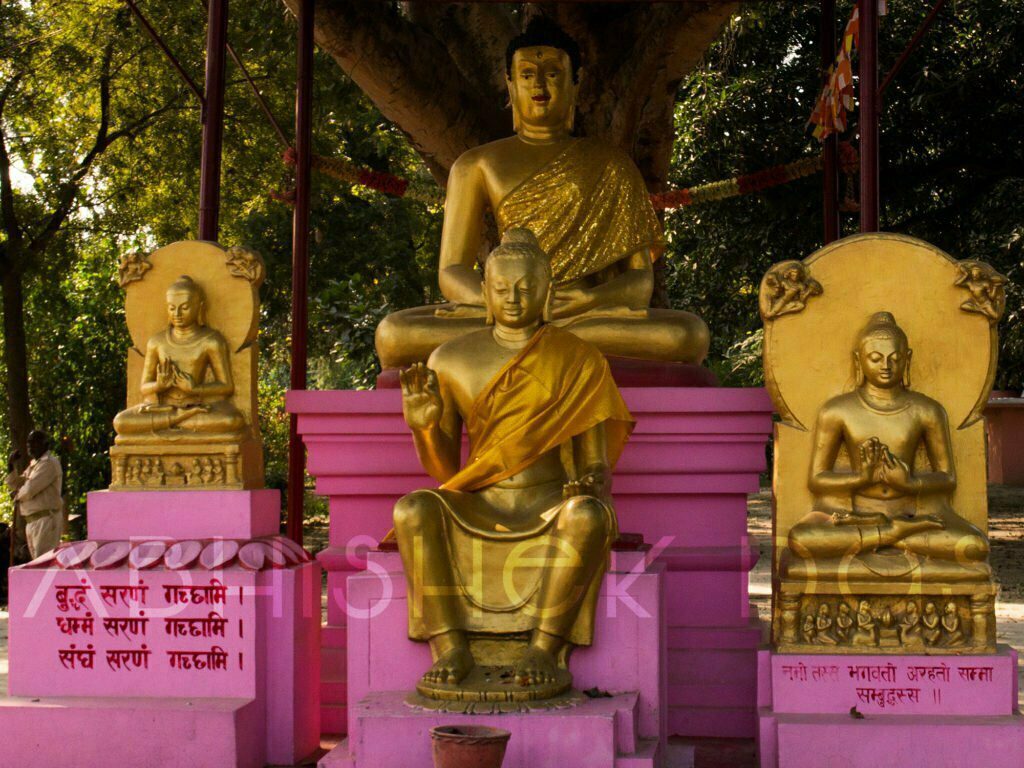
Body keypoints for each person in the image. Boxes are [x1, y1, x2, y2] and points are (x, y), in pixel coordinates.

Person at [374, 17, 709, 368]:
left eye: (552, 73)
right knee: (394, 335)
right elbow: (452, 271)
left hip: (580, 312)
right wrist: (501, 307)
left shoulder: (611, 164)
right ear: (509, 83)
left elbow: (640, 282)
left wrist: (585, 299)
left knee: (687, 335)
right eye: (526, 74)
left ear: (575, 83)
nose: (539, 84)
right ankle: (524, 334)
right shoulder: (476, 165)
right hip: (505, 310)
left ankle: (527, 338)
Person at [392, 228, 633, 695]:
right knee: (413, 508)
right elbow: (446, 473)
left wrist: (588, 481)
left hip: (549, 498)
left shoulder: (577, 357)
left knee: (586, 516)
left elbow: (596, 464)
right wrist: (423, 425)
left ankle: (545, 647)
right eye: (502, 289)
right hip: (482, 498)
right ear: (484, 292)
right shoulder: (451, 358)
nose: (514, 298)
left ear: (547, 292)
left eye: (526, 288)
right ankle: (450, 646)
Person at [787, 312, 989, 572]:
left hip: (914, 512)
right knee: (800, 539)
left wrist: (911, 483)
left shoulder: (927, 410)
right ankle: (895, 535)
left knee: (974, 545)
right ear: (859, 360)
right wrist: (861, 478)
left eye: (894, 358)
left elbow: (947, 477)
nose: (886, 365)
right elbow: (817, 479)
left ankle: (885, 536)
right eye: (876, 358)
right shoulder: (837, 411)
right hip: (854, 516)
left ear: (908, 359)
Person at [113, 275, 245, 438]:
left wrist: (195, 389)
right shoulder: (157, 342)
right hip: (163, 408)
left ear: (199, 307)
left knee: (231, 420)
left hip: (198, 406)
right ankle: (180, 418)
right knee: (121, 422)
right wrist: (159, 386)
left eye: (184, 307)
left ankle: (174, 420)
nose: (177, 313)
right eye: (171, 308)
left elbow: (226, 386)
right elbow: (144, 387)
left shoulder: (211, 341)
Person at [6, 431, 63, 559]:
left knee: (44, 564)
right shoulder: (35, 465)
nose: (30, 445)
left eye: (34, 442)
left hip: (46, 520)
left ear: (45, 444)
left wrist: (16, 496)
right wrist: (10, 466)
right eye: (28, 443)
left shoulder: (49, 463)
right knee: (37, 563)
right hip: (33, 521)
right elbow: (16, 484)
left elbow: (29, 489)